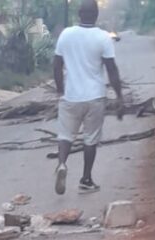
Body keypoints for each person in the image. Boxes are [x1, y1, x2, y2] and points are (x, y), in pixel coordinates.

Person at [53, 0, 124, 195]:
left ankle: (61, 164)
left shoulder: (66, 34)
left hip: (71, 96)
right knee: (90, 139)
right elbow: (112, 69)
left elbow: (57, 65)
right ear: (96, 15)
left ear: (78, 14)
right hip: (94, 97)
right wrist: (119, 96)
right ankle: (86, 179)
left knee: (66, 135)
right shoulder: (103, 38)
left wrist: (60, 89)